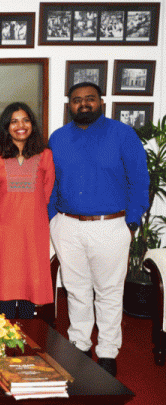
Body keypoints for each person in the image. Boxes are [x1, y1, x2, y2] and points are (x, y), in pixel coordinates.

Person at [48, 82, 149, 377]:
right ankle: (79, 345)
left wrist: (131, 222)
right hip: (67, 226)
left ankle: (107, 352)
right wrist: (53, 218)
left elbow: (139, 180)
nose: (83, 104)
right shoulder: (58, 138)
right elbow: (50, 182)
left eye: (89, 99)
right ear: (69, 105)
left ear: (101, 102)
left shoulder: (122, 134)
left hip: (110, 225)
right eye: (77, 100)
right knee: (76, 290)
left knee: (109, 293)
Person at [0, 103, 54, 320]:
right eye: (14, 121)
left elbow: (46, 193)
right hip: (4, 232)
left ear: (32, 124)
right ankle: (3, 335)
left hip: (33, 231)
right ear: (6, 126)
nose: (20, 125)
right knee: (5, 286)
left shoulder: (45, 155)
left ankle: (26, 334)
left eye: (25, 120)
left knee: (29, 286)